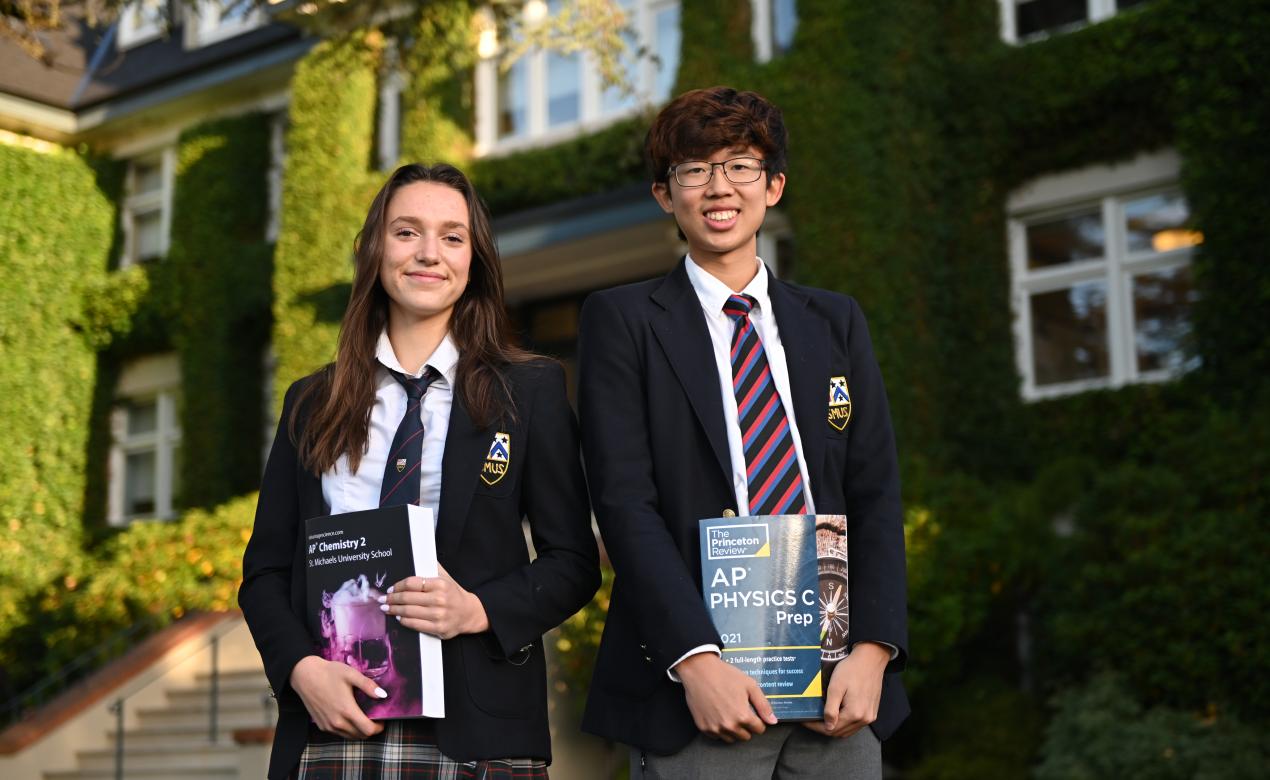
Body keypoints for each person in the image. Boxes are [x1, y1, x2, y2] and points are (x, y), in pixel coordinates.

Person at [578, 86, 908, 778]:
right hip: (704, 691)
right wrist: (695, 663)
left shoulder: (835, 321)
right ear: (665, 195)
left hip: (837, 684)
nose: (717, 187)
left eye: (740, 166)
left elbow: (873, 491)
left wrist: (875, 648)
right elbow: (624, 503)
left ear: (775, 185)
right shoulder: (623, 322)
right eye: (693, 170)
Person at [239, 163, 600, 779]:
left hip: (478, 732)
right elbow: (267, 570)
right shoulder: (311, 401)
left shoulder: (530, 390)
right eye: (407, 232)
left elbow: (572, 564)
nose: (429, 253)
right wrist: (299, 668)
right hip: (333, 727)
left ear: (474, 259)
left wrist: (479, 610)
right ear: (374, 249)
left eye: (453, 237)